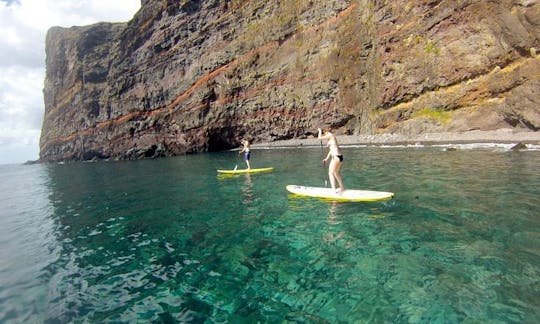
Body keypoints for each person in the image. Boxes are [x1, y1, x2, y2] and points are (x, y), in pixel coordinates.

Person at [318, 127, 345, 193]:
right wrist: (326, 159)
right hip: (339, 157)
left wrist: (319, 131)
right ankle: (342, 188)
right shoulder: (332, 137)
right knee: (336, 173)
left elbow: (319, 138)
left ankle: (333, 190)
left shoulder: (330, 135)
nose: (325, 135)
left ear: (326, 131)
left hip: (335, 157)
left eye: (324, 133)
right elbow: (331, 150)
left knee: (330, 173)